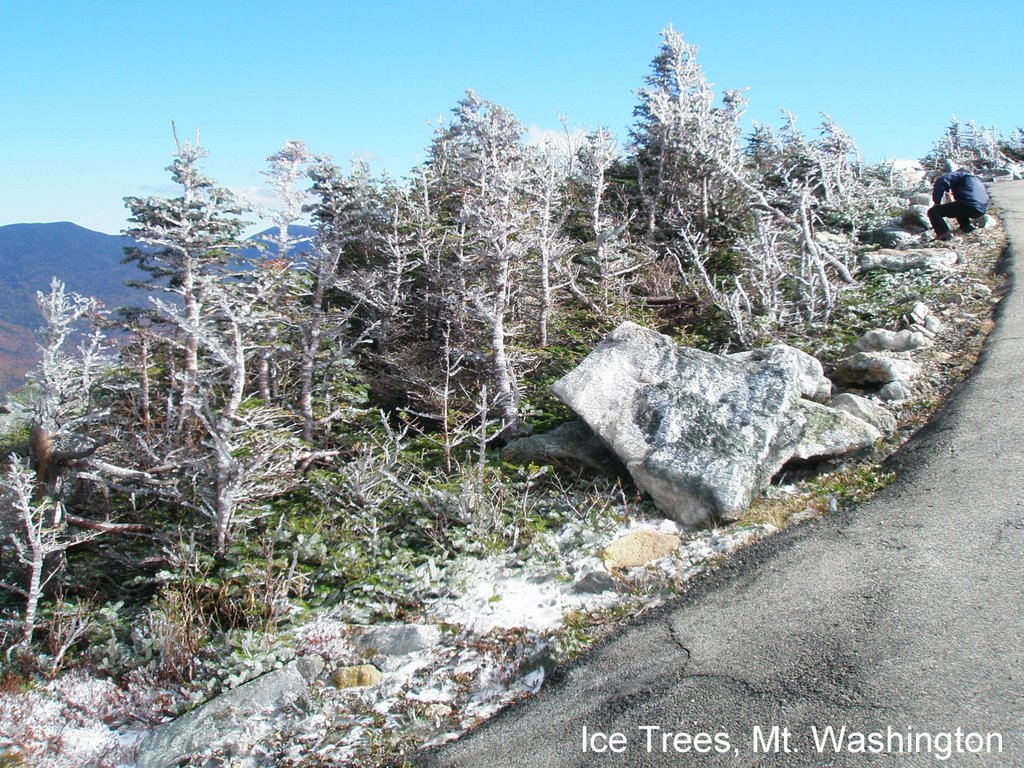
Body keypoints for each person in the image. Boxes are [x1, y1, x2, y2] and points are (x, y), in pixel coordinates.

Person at [927, 169, 989, 241]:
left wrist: (937, 202)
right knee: (959, 207)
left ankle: (943, 235)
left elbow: (941, 180)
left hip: (969, 204)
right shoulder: (975, 180)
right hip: (982, 208)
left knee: (933, 211)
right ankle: (967, 227)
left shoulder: (959, 175)